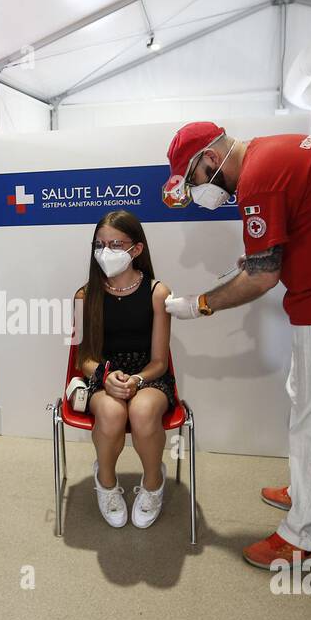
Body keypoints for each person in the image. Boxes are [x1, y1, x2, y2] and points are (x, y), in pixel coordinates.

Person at [162, 123, 311, 569]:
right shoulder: (271, 154)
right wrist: (263, 251)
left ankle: (305, 537)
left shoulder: (258, 179)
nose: (200, 193)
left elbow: (261, 276)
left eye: (194, 182)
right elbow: (303, 224)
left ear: (211, 161)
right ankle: (309, 492)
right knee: (308, 401)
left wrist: (198, 305)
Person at [72, 210, 175, 529]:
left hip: (149, 376)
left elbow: (160, 361)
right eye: (100, 244)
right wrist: (105, 376)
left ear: (137, 249)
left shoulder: (159, 293)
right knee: (112, 413)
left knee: (143, 412)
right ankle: (105, 483)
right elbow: (82, 356)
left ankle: (153, 484)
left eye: (116, 244)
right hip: (101, 375)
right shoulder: (83, 295)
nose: (106, 252)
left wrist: (137, 379)